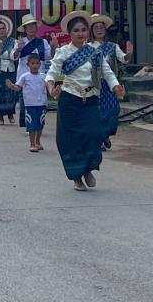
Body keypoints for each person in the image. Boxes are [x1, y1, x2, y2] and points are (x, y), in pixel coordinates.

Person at [46, 11, 124, 192]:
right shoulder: (63, 52)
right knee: (71, 140)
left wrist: (116, 87)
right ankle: (77, 177)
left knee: (94, 134)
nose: (80, 33)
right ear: (69, 33)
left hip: (90, 100)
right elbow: (53, 73)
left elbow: (107, 72)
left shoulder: (95, 52)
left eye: (83, 30)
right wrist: (52, 87)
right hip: (70, 100)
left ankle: (88, 168)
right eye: (76, 30)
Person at [90, 14, 133, 151]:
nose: (99, 30)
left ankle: (105, 135)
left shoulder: (113, 46)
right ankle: (100, 139)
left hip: (110, 85)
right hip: (95, 84)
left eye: (101, 27)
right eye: (96, 28)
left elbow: (124, 59)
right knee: (97, 112)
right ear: (92, 31)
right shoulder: (88, 47)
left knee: (113, 111)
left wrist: (129, 53)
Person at [13, 14, 52, 129]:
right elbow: (13, 57)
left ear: (36, 27)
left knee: (40, 100)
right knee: (25, 100)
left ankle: (39, 123)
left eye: (33, 26)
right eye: (28, 26)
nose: (31, 28)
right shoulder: (20, 41)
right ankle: (28, 125)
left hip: (39, 76)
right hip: (24, 76)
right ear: (25, 29)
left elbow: (49, 57)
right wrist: (19, 49)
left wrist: (54, 47)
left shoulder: (43, 42)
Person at [6, 54, 47, 152]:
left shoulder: (44, 76)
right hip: (30, 105)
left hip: (42, 104)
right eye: (32, 63)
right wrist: (12, 86)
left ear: (40, 64)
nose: (35, 65)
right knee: (31, 124)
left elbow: (49, 87)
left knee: (40, 124)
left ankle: (38, 142)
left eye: (37, 63)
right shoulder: (25, 76)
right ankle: (32, 144)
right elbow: (18, 88)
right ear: (28, 64)